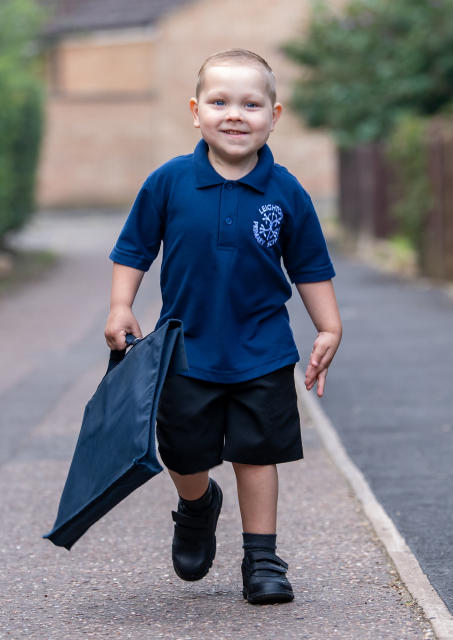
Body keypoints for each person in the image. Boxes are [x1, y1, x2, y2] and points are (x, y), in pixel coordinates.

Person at [104, 49, 342, 605]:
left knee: (257, 453)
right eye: (220, 102)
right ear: (196, 112)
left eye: (251, 104)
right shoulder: (168, 183)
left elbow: (310, 265)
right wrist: (121, 306)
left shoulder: (286, 191)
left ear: (274, 116)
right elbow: (133, 249)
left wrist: (328, 327)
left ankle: (262, 558)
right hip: (184, 349)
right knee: (184, 453)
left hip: (263, 350)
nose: (235, 114)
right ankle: (196, 505)